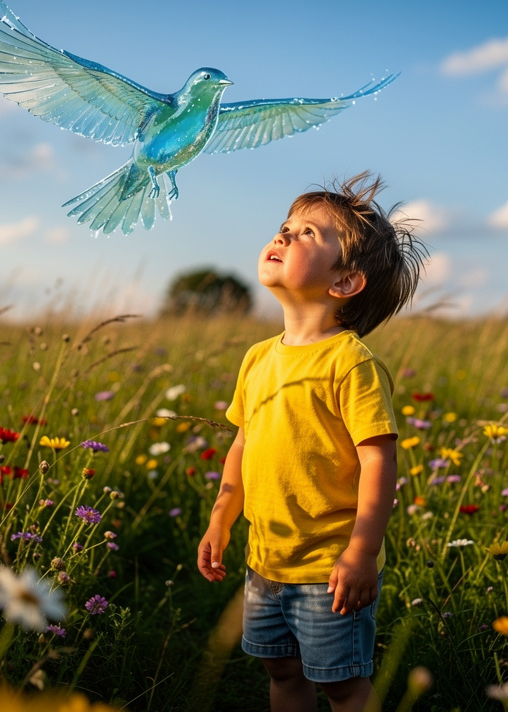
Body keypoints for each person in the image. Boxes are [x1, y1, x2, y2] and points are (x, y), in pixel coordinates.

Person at [197, 172, 426, 712]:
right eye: (285, 227)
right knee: (281, 671)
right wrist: (221, 516)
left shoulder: (350, 362)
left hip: (330, 569)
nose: (283, 236)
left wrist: (362, 553)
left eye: (307, 235)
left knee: (342, 685)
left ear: (345, 282)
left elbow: (379, 461)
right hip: (266, 558)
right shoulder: (258, 357)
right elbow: (243, 444)